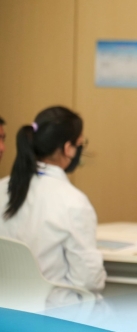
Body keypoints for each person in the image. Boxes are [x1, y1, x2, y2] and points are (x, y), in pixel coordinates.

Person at [0, 107, 106, 302]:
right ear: (68, 149)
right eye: (80, 144)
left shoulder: (2, 188)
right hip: (54, 312)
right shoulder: (72, 201)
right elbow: (89, 281)